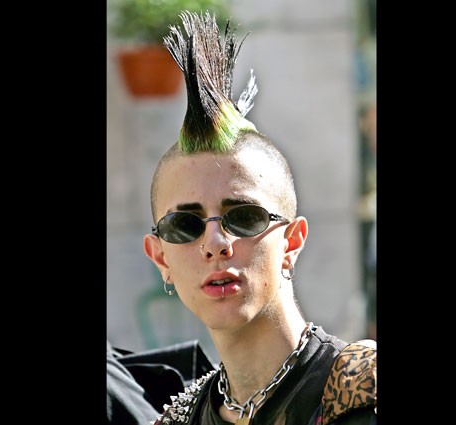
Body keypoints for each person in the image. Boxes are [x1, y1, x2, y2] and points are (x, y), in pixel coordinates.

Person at [141, 11, 377, 424]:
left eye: (244, 217)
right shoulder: (175, 419)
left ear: (292, 241)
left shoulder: (365, 389)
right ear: (161, 257)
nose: (216, 243)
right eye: (185, 226)